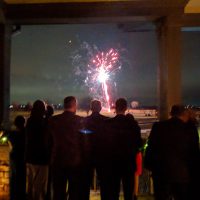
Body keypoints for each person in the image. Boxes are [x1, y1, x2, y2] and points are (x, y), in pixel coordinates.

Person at [145, 105, 200, 200]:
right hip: (182, 175)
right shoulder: (189, 130)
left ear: (171, 114)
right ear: (184, 114)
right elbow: (194, 153)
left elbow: (151, 149)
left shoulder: (158, 127)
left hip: (161, 173)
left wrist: (151, 166)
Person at [97, 98, 142, 200]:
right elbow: (138, 143)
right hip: (128, 163)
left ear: (115, 108)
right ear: (126, 108)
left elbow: (102, 144)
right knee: (128, 191)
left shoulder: (107, 123)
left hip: (112, 163)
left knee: (113, 191)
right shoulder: (133, 124)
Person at [47, 96, 84, 200]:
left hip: (57, 161)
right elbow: (84, 142)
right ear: (74, 105)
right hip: (75, 162)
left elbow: (49, 141)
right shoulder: (80, 121)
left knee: (58, 192)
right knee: (74, 192)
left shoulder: (53, 120)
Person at [82, 100, 108, 199]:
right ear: (100, 108)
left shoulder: (85, 120)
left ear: (91, 108)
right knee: (104, 183)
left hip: (87, 155)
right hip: (102, 155)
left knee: (85, 183)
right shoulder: (106, 121)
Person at [25, 100, 49, 200]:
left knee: (30, 184)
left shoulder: (29, 121)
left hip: (30, 157)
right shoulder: (44, 122)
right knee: (40, 185)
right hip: (42, 158)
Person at [8, 115, 26, 200]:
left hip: (14, 158)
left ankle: (14, 196)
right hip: (23, 158)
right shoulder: (26, 134)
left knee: (14, 179)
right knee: (22, 179)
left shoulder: (12, 134)